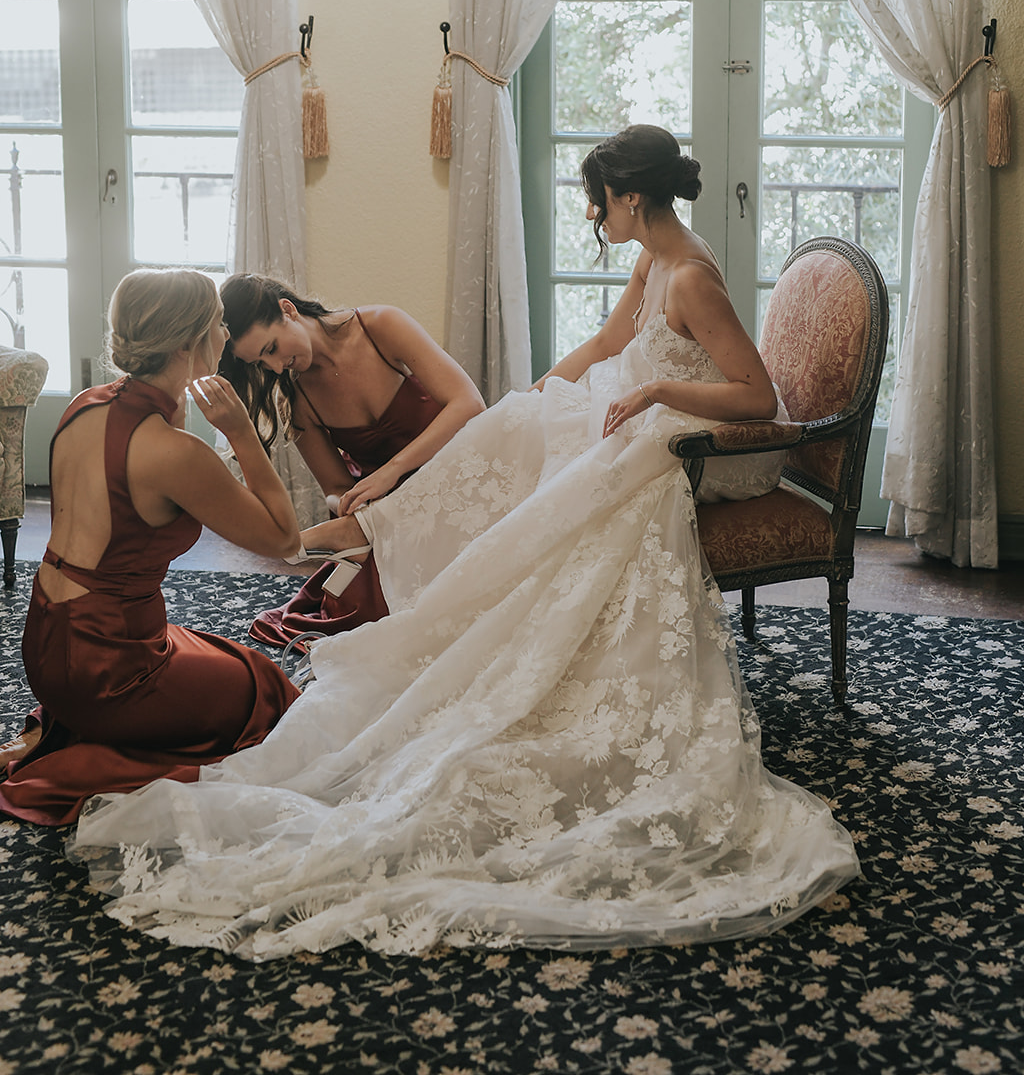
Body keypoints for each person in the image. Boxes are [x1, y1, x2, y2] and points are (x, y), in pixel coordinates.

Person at [69, 127, 859, 956]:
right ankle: (376, 537)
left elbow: (757, 399)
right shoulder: (652, 259)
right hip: (640, 412)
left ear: (630, 199)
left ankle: (382, 546)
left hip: (709, 450)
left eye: (597, 201)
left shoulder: (689, 276)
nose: (592, 215)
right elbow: (607, 347)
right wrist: (541, 395)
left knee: (555, 483)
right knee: (515, 431)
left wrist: (656, 388)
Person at [0, 269, 335, 826]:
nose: (227, 337)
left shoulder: (84, 404)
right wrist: (241, 434)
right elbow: (284, 539)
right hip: (109, 672)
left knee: (214, 651)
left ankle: (81, 722)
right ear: (189, 342)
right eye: (219, 325)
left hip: (47, 644)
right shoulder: (174, 453)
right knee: (264, 689)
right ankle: (91, 753)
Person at [218, 276, 485, 645]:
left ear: (287, 310)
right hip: (385, 507)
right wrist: (351, 503)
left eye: (272, 348)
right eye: (262, 363)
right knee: (361, 613)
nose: (276, 367)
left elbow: (469, 404)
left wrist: (391, 472)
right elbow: (335, 488)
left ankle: (359, 532)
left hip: (460, 469)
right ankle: (358, 531)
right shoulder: (299, 403)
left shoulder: (380, 326)